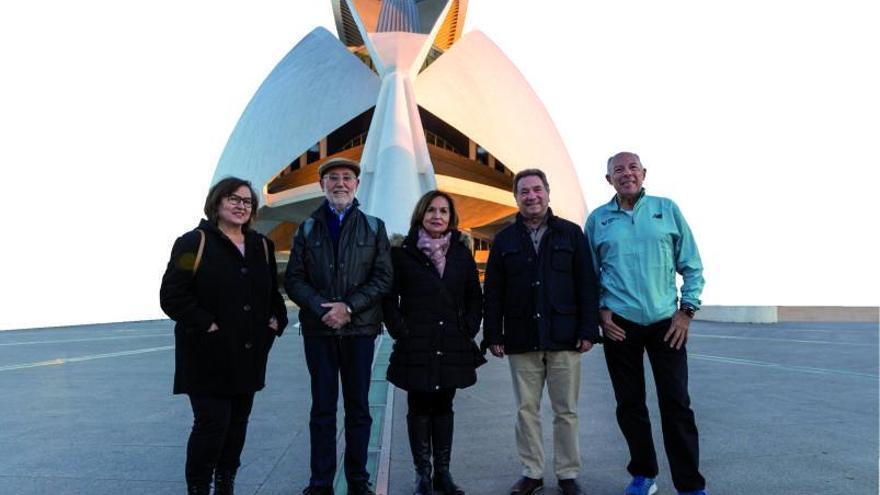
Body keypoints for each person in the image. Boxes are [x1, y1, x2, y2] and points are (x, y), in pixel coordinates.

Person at [585, 152, 708, 495]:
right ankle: (643, 475)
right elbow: (588, 275)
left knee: (677, 405)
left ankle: (690, 485)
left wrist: (687, 311)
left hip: (666, 324)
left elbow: (692, 265)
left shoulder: (666, 209)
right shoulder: (598, 221)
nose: (626, 174)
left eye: (632, 168)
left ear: (644, 174)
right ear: (608, 179)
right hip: (619, 325)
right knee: (630, 405)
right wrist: (600, 311)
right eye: (618, 170)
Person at [160, 177, 289, 495]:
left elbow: (272, 291)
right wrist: (207, 325)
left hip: (249, 353)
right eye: (233, 199)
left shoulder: (262, 245)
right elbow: (172, 295)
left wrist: (277, 320)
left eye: (247, 201)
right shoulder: (193, 243)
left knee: (237, 424)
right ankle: (199, 486)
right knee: (212, 424)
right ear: (217, 202)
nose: (241, 205)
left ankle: (226, 482)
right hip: (207, 354)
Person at [483, 169, 600, 495]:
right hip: (521, 338)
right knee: (526, 411)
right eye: (524, 192)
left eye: (537, 190)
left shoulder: (571, 234)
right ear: (516, 197)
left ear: (548, 193)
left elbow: (587, 284)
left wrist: (589, 329)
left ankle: (567, 473)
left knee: (566, 411)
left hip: (565, 337)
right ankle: (531, 472)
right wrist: (493, 333)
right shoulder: (504, 240)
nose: (531, 196)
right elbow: (493, 291)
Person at [285, 157, 393, 495]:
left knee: (358, 408)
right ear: (322, 185)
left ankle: (358, 480)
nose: (340, 183)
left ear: (357, 185)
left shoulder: (374, 227)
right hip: (319, 332)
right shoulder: (306, 228)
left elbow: (383, 277)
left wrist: (349, 307)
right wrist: (323, 310)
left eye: (347, 177)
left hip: (359, 331)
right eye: (333, 178)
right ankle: (321, 482)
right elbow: (295, 278)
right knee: (322, 409)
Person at [382, 191, 486, 495]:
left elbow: (473, 296)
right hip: (416, 342)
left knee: (444, 405)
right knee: (418, 405)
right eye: (431, 211)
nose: (437, 216)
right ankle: (422, 475)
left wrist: (468, 327)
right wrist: (400, 329)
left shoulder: (461, 254)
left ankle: (443, 473)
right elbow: (389, 298)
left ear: (451, 217)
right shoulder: (402, 253)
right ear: (420, 215)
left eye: (443, 211)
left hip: (451, 341)